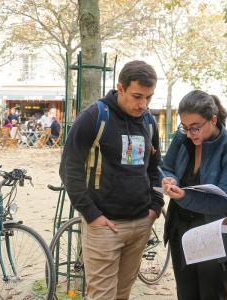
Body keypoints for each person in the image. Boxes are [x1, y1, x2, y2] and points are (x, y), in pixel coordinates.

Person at [59, 60, 164, 300]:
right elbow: (69, 168)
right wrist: (92, 215)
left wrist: (155, 207)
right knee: (102, 296)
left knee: (122, 294)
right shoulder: (94, 116)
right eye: (137, 96)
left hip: (141, 223)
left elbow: (154, 168)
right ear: (120, 88)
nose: (143, 104)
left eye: (148, 97)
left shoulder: (149, 122)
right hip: (105, 225)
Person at [161, 90, 227, 300]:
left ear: (213, 120)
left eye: (195, 128)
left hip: (214, 232)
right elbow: (166, 166)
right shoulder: (183, 137)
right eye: (185, 127)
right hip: (180, 228)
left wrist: (183, 196)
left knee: (211, 294)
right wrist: (169, 179)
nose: (190, 133)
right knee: (186, 294)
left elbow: (225, 203)